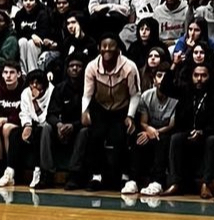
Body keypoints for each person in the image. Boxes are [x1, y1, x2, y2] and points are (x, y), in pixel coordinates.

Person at [80, 34, 140, 191]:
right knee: (95, 135)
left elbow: (135, 95)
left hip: (123, 108)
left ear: (118, 49)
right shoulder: (92, 67)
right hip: (101, 107)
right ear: (99, 48)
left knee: (121, 136)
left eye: (111, 46)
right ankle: (96, 176)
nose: (107, 49)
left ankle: (124, 177)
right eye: (104, 46)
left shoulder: (129, 67)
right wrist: (84, 111)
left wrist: (130, 116)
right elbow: (87, 94)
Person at [158, 63, 214, 198]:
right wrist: (174, 65)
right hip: (188, 131)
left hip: (208, 133)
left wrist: (202, 132)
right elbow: (164, 87)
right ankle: (175, 183)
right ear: (191, 76)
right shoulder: (186, 91)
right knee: (175, 138)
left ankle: (206, 184)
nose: (199, 79)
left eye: (203, 75)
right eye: (196, 75)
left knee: (213, 140)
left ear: (209, 77)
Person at [122, 63, 177, 195]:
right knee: (138, 137)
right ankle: (132, 180)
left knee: (162, 140)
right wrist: (149, 131)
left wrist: (155, 132)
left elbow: (171, 124)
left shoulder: (176, 98)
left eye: (165, 76)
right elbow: (143, 122)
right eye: (159, 76)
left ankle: (157, 182)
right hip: (150, 130)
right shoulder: (146, 96)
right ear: (154, 80)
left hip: (166, 132)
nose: (162, 79)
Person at [38, 53, 89, 190]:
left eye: (78, 66)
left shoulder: (89, 89)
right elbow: (50, 114)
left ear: (84, 69)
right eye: (72, 66)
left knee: (85, 131)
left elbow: (91, 117)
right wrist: (59, 125)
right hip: (61, 129)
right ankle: (46, 173)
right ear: (67, 69)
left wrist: (73, 126)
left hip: (78, 128)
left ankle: (74, 175)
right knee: (46, 128)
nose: (75, 69)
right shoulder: (60, 88)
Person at [16, 69, 55, 189]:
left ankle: (41, 171)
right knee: (14, 133)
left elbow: (48, 116)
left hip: (49, 125)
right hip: (32, 124)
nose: (34, 86)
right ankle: (12, 171)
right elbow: (24, 113)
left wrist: (35, 103)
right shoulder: (25, 93)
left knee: (40, 131)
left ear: (44, 84)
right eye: (31, 83)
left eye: (38, 83)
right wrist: (26, 125)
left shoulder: (52, 91)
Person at [0, 61, 24, 186]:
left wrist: (6, 119)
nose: (8, 76)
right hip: (2, 120)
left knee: (7, 128)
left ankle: (11, 168)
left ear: (19, 74)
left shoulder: (24, 89)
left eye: (12, 72)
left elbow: (25, 113)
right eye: (5, 72)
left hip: (20, 123)